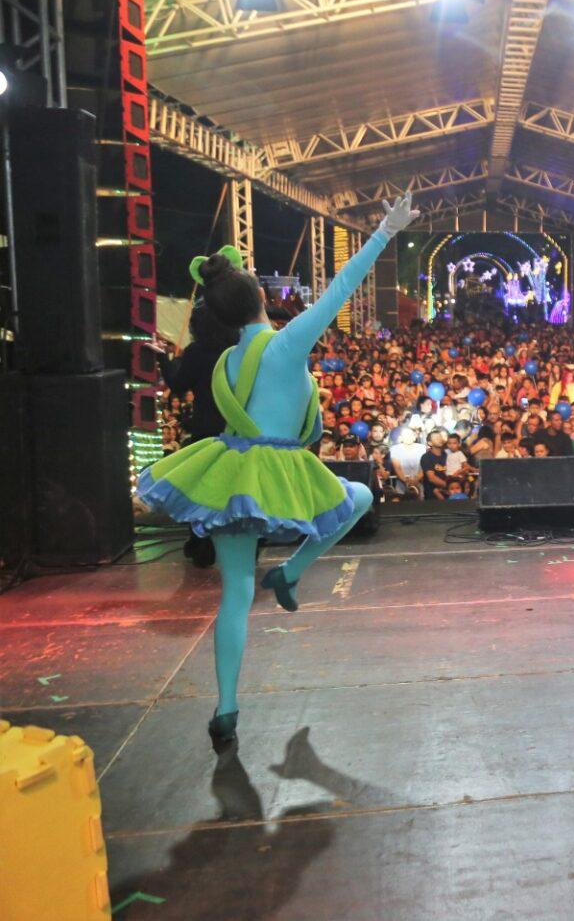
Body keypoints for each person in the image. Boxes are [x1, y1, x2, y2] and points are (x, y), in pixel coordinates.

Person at [137, 194, 419, 745]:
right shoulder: (286, 346)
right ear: (262, 296)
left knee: (235, 594)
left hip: (230, 473)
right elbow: (342, 288)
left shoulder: (226, 359)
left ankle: (225, 711)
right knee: (357, 499)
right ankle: (290, 572)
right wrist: (386, 229)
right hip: (275, 467)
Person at [160, 300, 240, 567]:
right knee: (236, 486)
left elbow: (178, 384)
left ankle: (201, 543)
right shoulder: (237, 350)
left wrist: (164, 359)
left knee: (200, 488)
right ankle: (245, 542)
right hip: (236, 428)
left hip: (205, 429)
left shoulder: (196, 352)